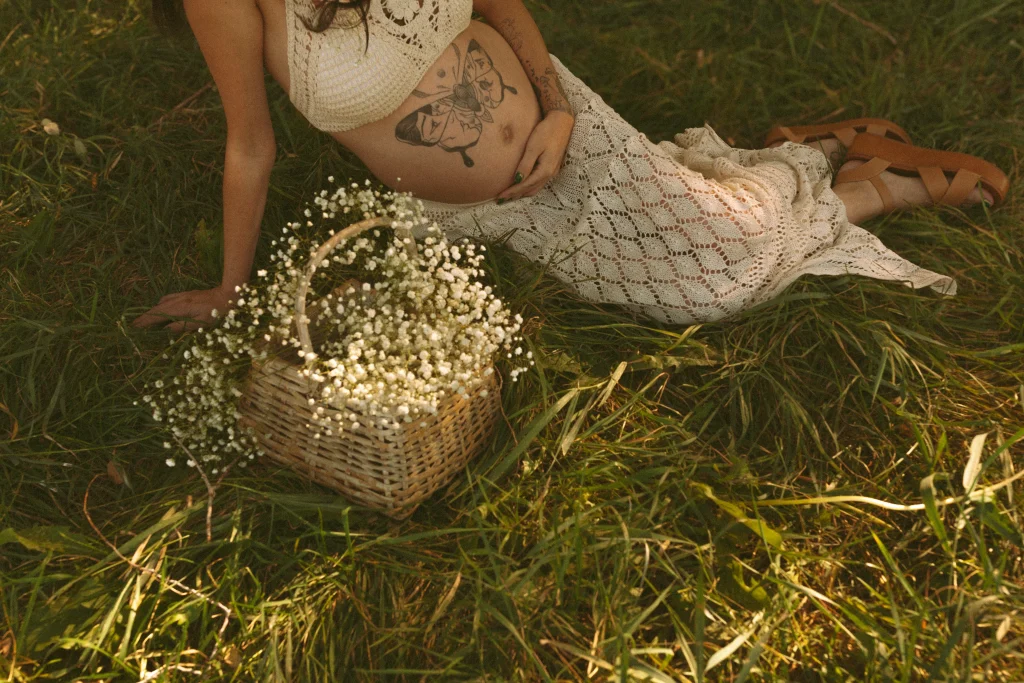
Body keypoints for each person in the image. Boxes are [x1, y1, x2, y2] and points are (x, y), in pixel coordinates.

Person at [133, 0, 1010, 332]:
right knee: (706, 287)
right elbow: (250, 143)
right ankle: (837, 162)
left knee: (721, 254)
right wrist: (229, 289)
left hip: (564, 125)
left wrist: (554, 109)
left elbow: (492, 0)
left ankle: (853, 176)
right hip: (482, 211)